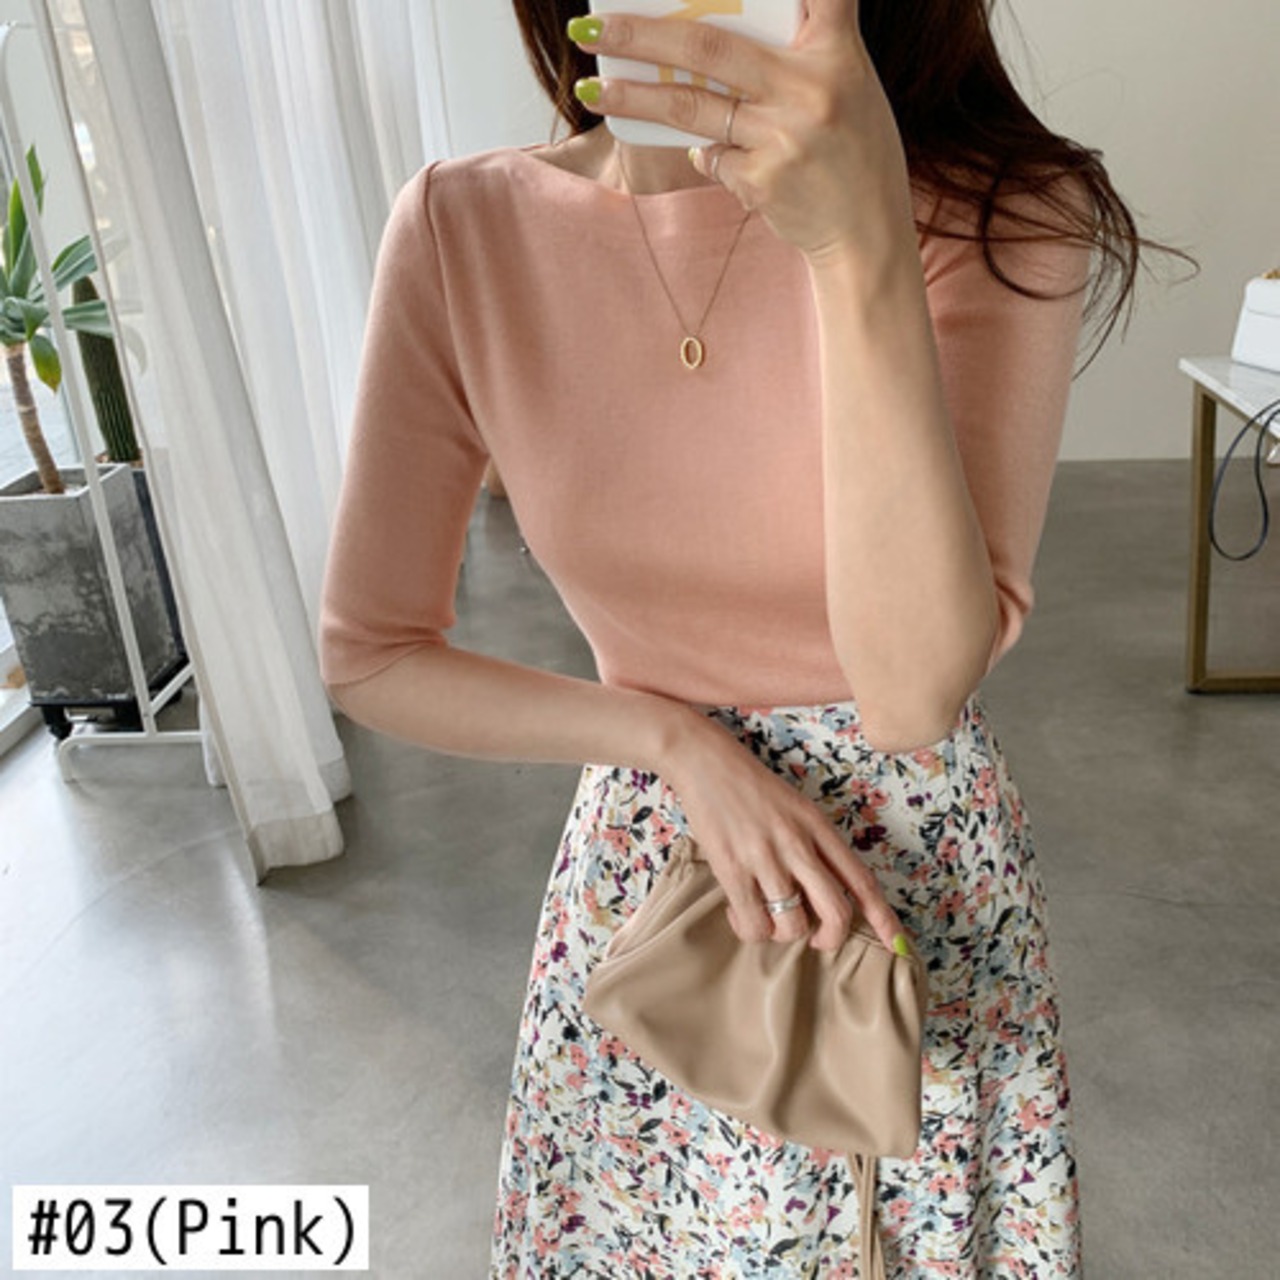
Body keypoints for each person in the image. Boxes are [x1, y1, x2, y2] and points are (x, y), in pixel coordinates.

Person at [318, 1, 1160, 1274]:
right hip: (651, 881)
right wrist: (672, 742)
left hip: (907, 893)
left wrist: (856, 243)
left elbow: (908, 692)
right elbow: (372, 650)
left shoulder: (998, 209)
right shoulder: (463, 226)